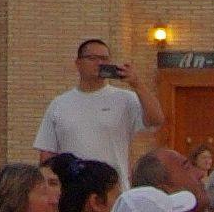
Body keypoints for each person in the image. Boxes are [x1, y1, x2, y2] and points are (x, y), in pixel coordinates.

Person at [28, 40, 149, 178]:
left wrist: (137, 84)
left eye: (104, 59)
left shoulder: (126, 98)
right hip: (72, 190)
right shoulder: (59, 104)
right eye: (92, 58)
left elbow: (155, 120)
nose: (99, 63)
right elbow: (47, 152)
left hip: (112, 188)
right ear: (78, 63)